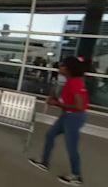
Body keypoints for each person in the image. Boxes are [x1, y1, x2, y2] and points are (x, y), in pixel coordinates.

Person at [28, 56, 89, 186]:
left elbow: (79, 106)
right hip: (67, 116)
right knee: (50, 135)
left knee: (71, 147)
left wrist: (56, 103)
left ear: (67, 68)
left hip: (74, 118)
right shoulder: (70, 81)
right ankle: (44, 162)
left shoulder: (75, 82)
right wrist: (55, 99)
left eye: (61, 65)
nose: (59, 67)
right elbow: (66, 99)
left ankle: (76, 176)